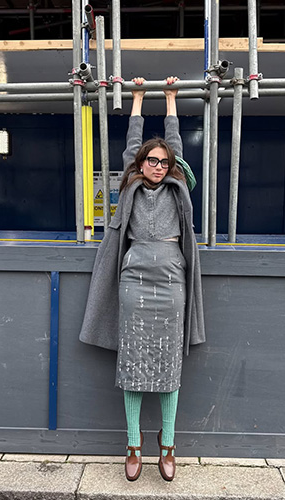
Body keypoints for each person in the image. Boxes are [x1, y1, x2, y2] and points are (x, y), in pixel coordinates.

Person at [79, 76, 205, 482]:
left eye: (163, 162)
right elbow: (131, 147)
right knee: (132, 362)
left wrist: (170, 99)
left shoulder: (177, 186)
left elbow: (175, 145)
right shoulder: (131, 184)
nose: (157, 166)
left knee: (169, 363)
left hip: (171, 281)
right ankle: (133, 443)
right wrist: (136, 100)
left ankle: (168, 443)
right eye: (152, 161)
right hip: (133, 281)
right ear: (142, 163)